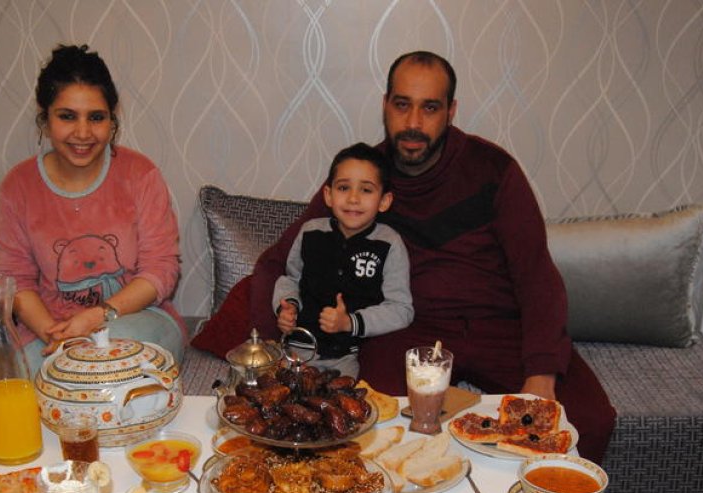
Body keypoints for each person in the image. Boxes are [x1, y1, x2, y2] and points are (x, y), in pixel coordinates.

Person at [250, 51, 616, 463]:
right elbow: (279, 262)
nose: (413, 124)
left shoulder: (493, 170)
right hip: (410, 330)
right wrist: (273, 345)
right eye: (402, 105)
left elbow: (537, 276)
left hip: (501, 328)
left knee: (586, 418)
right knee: (367, 418)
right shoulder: (363, 179)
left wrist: (542, 373)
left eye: (430, 108)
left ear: (451, 111)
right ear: (386, 105)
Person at [0, 44, 184, 372]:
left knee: (107, 366)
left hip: (131, 320)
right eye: (67, 116)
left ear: (112, 120)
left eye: (96, 117)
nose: (82, 133)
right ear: (45, 118)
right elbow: (15, 280)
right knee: (45, 381)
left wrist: (97, 317)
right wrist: (55, 335)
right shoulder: (18, 185)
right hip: (49, 330)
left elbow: (161, 269)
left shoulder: (140, 175)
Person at [273, 142, 414, 377]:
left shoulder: (390, 244)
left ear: (384, 201)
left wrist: (350, 322)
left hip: (344, 356)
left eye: (366, 190)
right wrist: (286, 307)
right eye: (343, 187)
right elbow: (290, 278)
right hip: (297, 350)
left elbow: (401, 310)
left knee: (344, 407)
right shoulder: (310, 232)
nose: (353, 198)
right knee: (280, 402)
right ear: (328, 195)